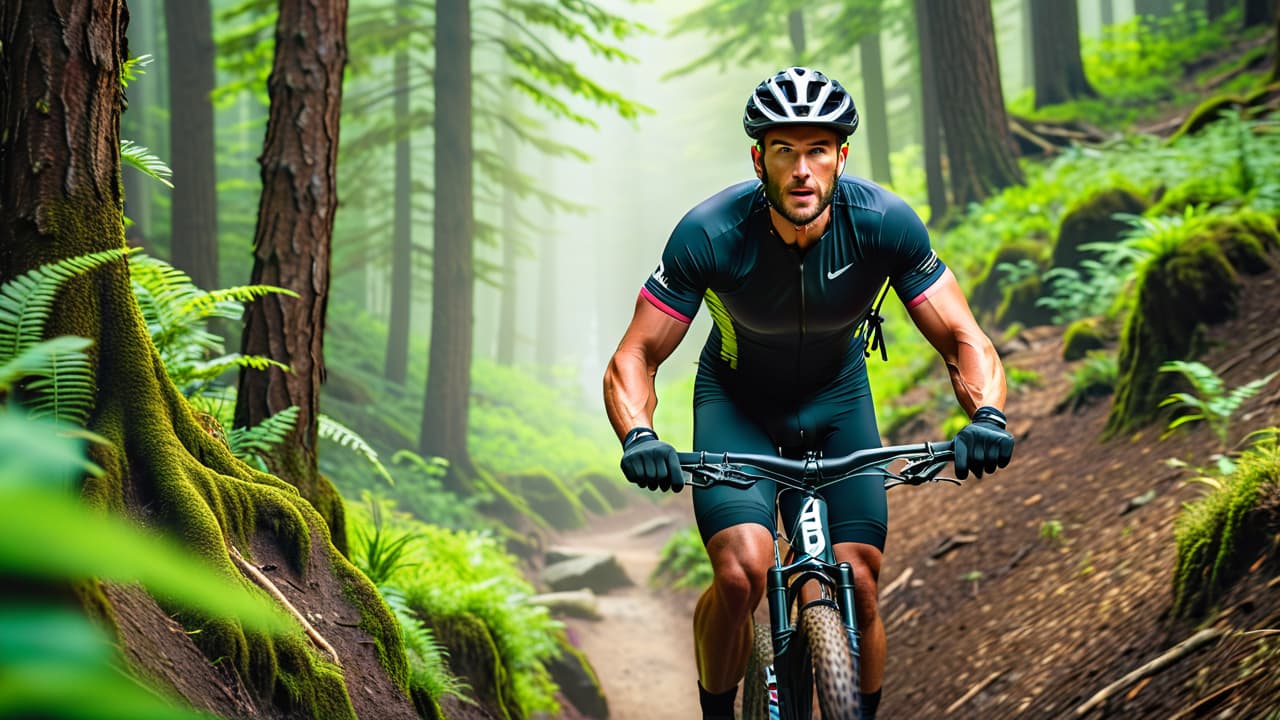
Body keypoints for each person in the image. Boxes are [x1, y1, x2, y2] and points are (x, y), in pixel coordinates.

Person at [602, 67, 1015, 720]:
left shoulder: (884, 223)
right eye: (785, 150)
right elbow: (637, 354)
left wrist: (987, 415)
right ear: (758, 157)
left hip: (838, 403)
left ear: (841, 156)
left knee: (861, 582)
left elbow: (964, 337)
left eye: (818, 150)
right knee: (740, 575)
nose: (802, 170)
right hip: (737, 407)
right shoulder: (709, 233)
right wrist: (639, 435)